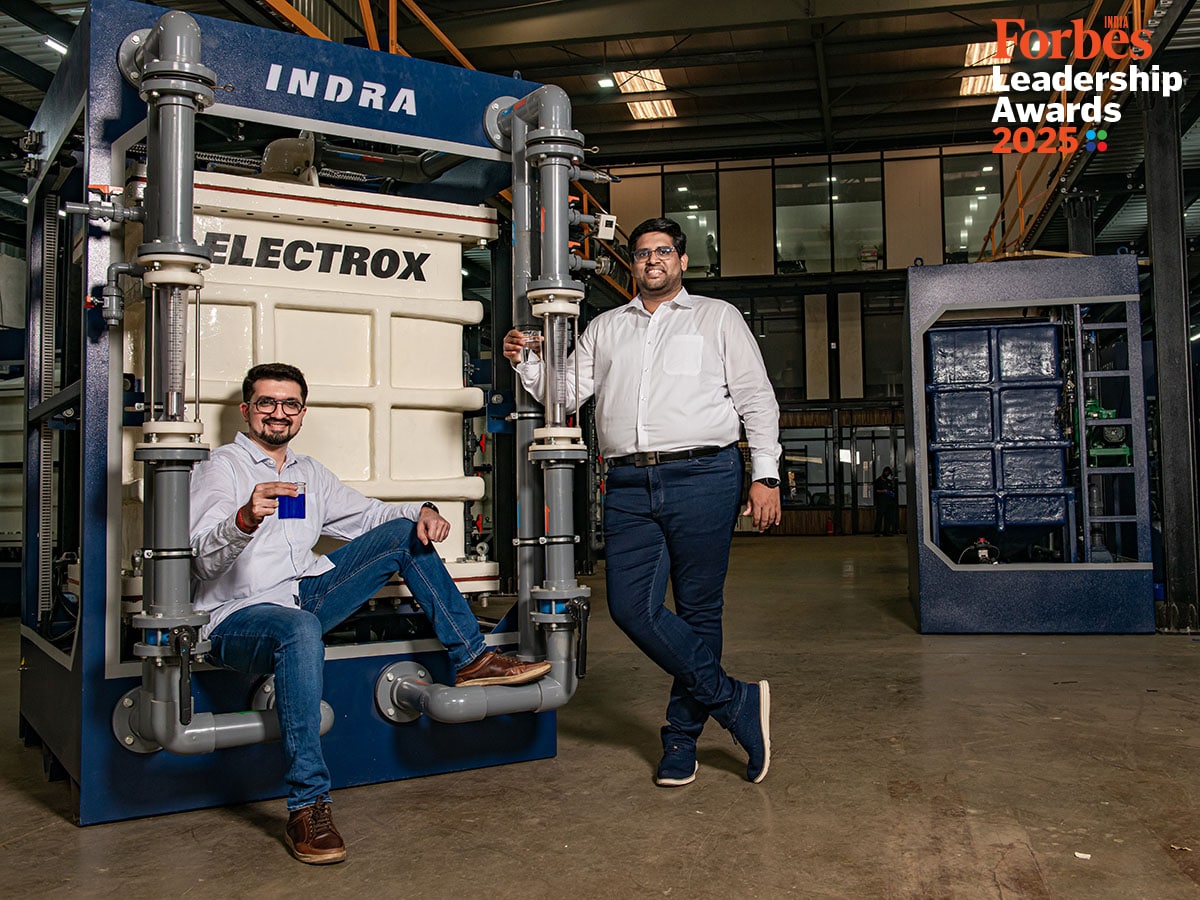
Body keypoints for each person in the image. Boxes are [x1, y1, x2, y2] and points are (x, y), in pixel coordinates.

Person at [190, 363, 551, 865]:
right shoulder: (221, 468)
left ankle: (472, 658)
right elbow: (203, 558)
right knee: (298, 629)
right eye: (267, 403)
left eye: (289, 404)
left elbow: (369, 514)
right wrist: (245, 518)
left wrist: (421, 511)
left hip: (303, 596)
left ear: (302, 412)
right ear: (246, 409)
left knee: (404, 532)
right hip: (237, 617)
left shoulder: (307, 473)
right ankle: (308, 806)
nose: (278, 413)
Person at [503, 216, 781, 788]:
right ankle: (735, 701)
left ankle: (681, 739)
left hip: (706, 473)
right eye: (641, 253)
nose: (651, 259)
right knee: (632, 609)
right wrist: (524, 360)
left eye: (663, 251)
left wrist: (766, 477)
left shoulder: (716, 318)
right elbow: (565, 392)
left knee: (700, 610)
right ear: (632, 265)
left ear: (681, 261)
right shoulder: (607, 328)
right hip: (628, 481)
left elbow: (757, 400)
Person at [873, 466, 897, 536]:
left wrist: (892, 493)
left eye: (888, 473)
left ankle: (886, 531)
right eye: (886, 472)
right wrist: (883, 491)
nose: (887, 474)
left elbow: (892, 491)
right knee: (879, 517)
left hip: (889, 502)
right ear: (883, 472)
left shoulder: (888, 481)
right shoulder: (878, 481)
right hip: (881, 502)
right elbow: (876, 491)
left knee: (888, 517)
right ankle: (877, 531)